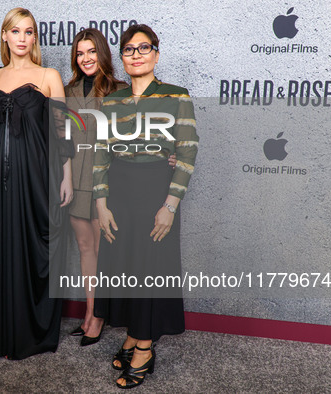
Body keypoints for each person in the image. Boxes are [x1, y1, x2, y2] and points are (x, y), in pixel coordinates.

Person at [93, 24, 198, 388]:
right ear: (121, 58)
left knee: (150, 266)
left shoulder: (175, 96)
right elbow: (100, 156)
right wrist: (101, 204)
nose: (136, 54)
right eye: (128, 49)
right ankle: (133, 333)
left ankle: (144, 348)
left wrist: (170, 205)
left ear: (156, 53)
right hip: (118, 192)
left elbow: (186, 153)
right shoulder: (110, 101)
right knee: (123, 264)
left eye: (144, 48)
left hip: (156, 191)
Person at [65, 28, 176, 347]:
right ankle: (88, 312)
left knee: (104, 254)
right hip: (75, 179)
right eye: (80, 52)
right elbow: (61, 139)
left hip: (108, 184)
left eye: (92, 52)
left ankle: (99, 316)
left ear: (104, 54)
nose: (86, 58)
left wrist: (168, 155)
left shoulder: (121, 90)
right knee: (85, 250)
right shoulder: (67, 89)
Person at [0, 7, 73, 360]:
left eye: (29, 32)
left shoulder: (49, 75)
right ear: (5, 36)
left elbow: (62, 130)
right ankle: (9, 333)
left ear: (35, 38)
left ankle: (35, 334)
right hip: (2, 179)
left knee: (39, 248)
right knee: (7, 249)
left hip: (38, 174)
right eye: (15, 31)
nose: (22, 38)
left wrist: (66, 175)